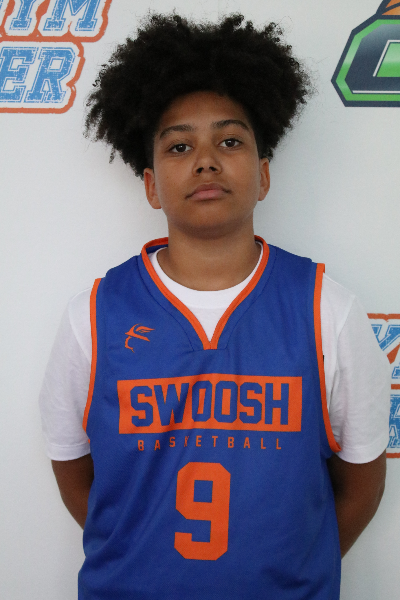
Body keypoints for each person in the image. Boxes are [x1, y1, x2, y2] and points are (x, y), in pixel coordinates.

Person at [39, 13, 391, 599]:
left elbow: (361, 484)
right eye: (180, 146)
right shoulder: (93, 317)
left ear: (264, 174)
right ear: (151, 184)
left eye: (230, 141)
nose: (206, 160)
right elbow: (74, 470)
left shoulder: (327, 310)